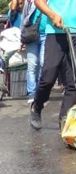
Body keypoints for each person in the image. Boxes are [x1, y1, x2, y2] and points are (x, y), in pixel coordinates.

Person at [29, 0, 75, 131]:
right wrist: (53, 15)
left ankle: (65, 122)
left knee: (73, 82)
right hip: (56, 32)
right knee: (48, 76)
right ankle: (37, 106)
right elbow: (39, 2)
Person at [23, 0, 48, 103]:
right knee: (32, 66)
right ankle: (32, 93)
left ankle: (40, 91)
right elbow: (24, 18)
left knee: (43, 63)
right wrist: (21, 38)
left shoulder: (52, 2)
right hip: (31, 35)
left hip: (47, 34)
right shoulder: (30, 2)